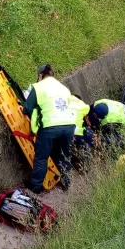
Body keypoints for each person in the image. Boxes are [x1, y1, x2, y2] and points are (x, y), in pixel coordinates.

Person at [22, 65, 77, 193]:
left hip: (50, 126)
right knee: (64, 155)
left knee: (41, 157)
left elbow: (28, 108)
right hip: (69, 125)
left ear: (40, 75)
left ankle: (36, 187)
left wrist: (33, 117)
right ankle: (66, 183)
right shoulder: (63, 88)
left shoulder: (39, 87)